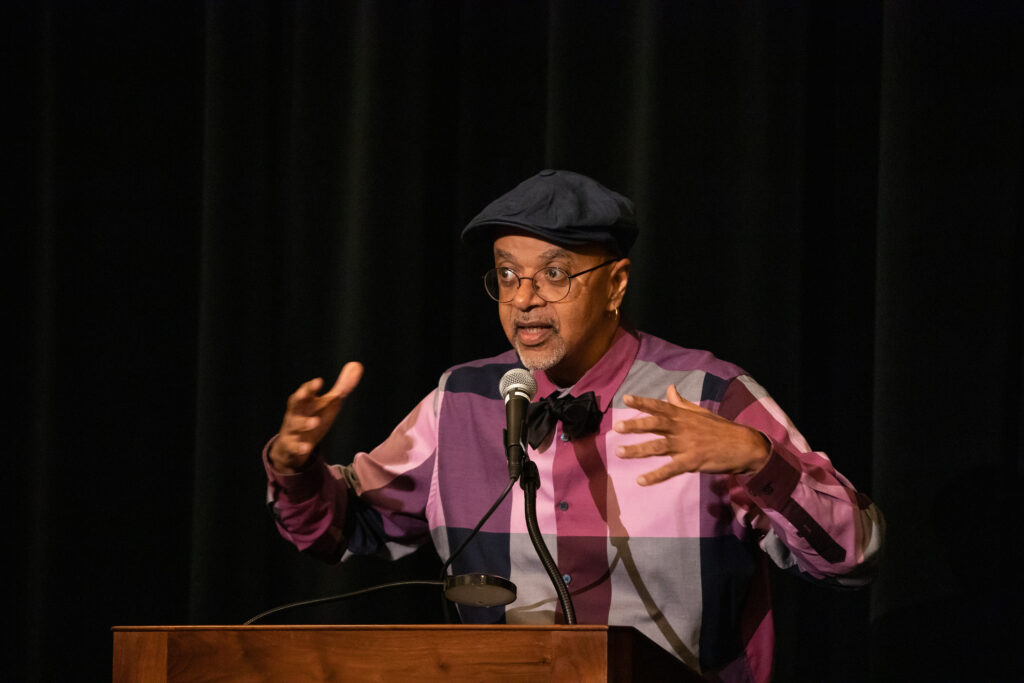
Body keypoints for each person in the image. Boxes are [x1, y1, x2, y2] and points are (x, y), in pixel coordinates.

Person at [263, 169, 884, 681]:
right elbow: (345, 528)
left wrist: (757, 459)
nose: (525, 298)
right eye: (507, 275)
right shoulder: (461, 400)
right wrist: (296, 469)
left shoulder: (709, 394)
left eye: (555, 274)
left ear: (615, 285)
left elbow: (853, 556)